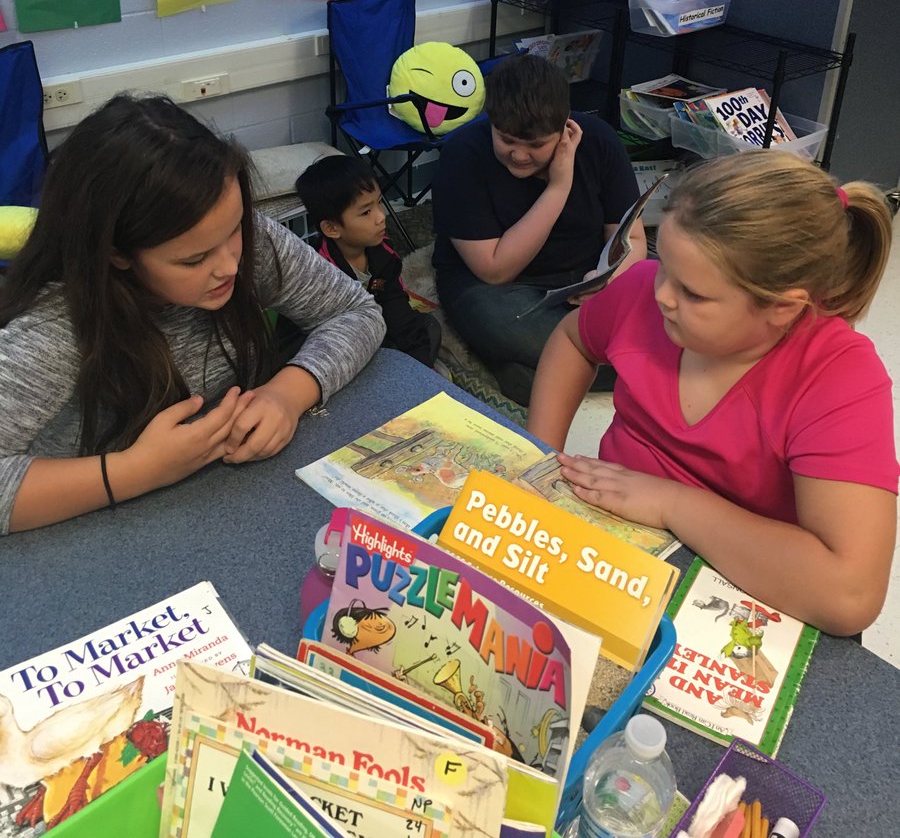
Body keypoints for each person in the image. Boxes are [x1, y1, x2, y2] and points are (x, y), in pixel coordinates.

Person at [527, 151, 898, 635]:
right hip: (615, 547)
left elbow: (849, 596)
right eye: (664, 267)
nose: (661, 294)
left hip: (744, 587)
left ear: (782, 309)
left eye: (694, 293)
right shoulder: (644, 292)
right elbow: (575, 340)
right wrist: (536, 453)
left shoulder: (839, 377)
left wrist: (671, 503)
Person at [0, 94, 386, 536]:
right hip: (97, 533)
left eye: (235, 230)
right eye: (193, 260)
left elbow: (355, 310)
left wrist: (289, 393)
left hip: (226, 505)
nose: (230, 266)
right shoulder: (56, 327)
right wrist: (134, 471)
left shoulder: (241, 237)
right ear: (118, 255)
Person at [431, 54, 645, 406]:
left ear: (564, 128)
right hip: (500, 289)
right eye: (507, 140)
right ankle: (623, 367)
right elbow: (496, 270)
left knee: (672, 290)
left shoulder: (599, 140)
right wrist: (558, 188)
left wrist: (609, 279)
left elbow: (632, 238)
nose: (519, 155)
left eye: (536, 145)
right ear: (492, 124)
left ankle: (542, 375)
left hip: (586, 273)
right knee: (499, 321)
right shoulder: (463, 154)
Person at [295, 155, 441, 367]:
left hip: (375, 324)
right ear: (332, 228)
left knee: (428, 328)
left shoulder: (384, 256)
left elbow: (396, 308)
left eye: (379, 202)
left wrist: (423, 371)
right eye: (366, 212)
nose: (381, 216)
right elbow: (312, 336)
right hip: (333, 346)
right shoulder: (317, 274)